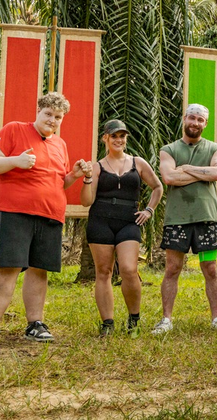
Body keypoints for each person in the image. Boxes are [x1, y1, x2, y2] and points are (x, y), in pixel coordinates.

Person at [0, 92, 91, 344]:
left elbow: (60, 181)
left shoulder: (60, 145)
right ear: (38, 111)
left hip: (50, 214)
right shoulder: (14, 129)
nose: (52, 120)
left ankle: (35, 324)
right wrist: (16, 160)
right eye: (48, 114)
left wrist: (74, 174)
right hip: (15, 210)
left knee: (39, 270)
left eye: (58, 117)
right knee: (8, 267)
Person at [80, 119, 163, 337]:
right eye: (114, 136)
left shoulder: (138, 163)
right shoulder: (97, 167)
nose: (118, 140)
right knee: (104, 272)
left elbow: (157, 187)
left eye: (122, 136)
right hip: (100, 220)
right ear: (105, 138)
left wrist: (149, 210)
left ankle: (133, 320)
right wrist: (88, 178)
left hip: (129, 221)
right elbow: (86, 201)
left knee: (128, 269)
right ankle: (107, 324)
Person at [152, 104, 217, 334]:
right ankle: (166, 320)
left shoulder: (215, 148)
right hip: (177, 220)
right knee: (173, 268)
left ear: (205, 124)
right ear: (184, 119)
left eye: (200, 120)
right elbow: (168, 177)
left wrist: (185, 169)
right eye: (192, 118)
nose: (195, 123)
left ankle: (216, 319)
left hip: (206, 219)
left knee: (210, 268)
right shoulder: (169, 149)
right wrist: (200, 173)